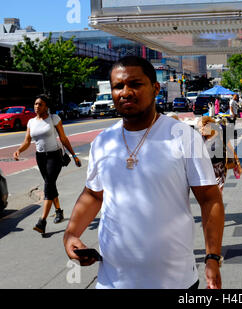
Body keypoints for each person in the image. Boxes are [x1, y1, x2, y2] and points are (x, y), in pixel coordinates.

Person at [63, 56, 225, 289]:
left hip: (174, 281)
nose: (125, 92)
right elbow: (93, 195)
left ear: (155, 88)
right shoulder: (103, 141)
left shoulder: (183, 136)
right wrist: (70, 235)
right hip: (112, 281)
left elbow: (210, 198)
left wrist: (212, 257)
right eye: (118, 86)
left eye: (135, 84)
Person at [13, 94, 82, 234]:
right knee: (50, 184)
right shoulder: (31, 122)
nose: (37, 106)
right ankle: (58, 211)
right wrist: (19, 150)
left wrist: (74, 155)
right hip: (40, 158)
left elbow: (63, 138)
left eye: (40, 104)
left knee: (48, 185)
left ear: (46, 106)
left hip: (54, 156)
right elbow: (27, 141)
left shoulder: (53, 119)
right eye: (35, 104)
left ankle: (42, 221)